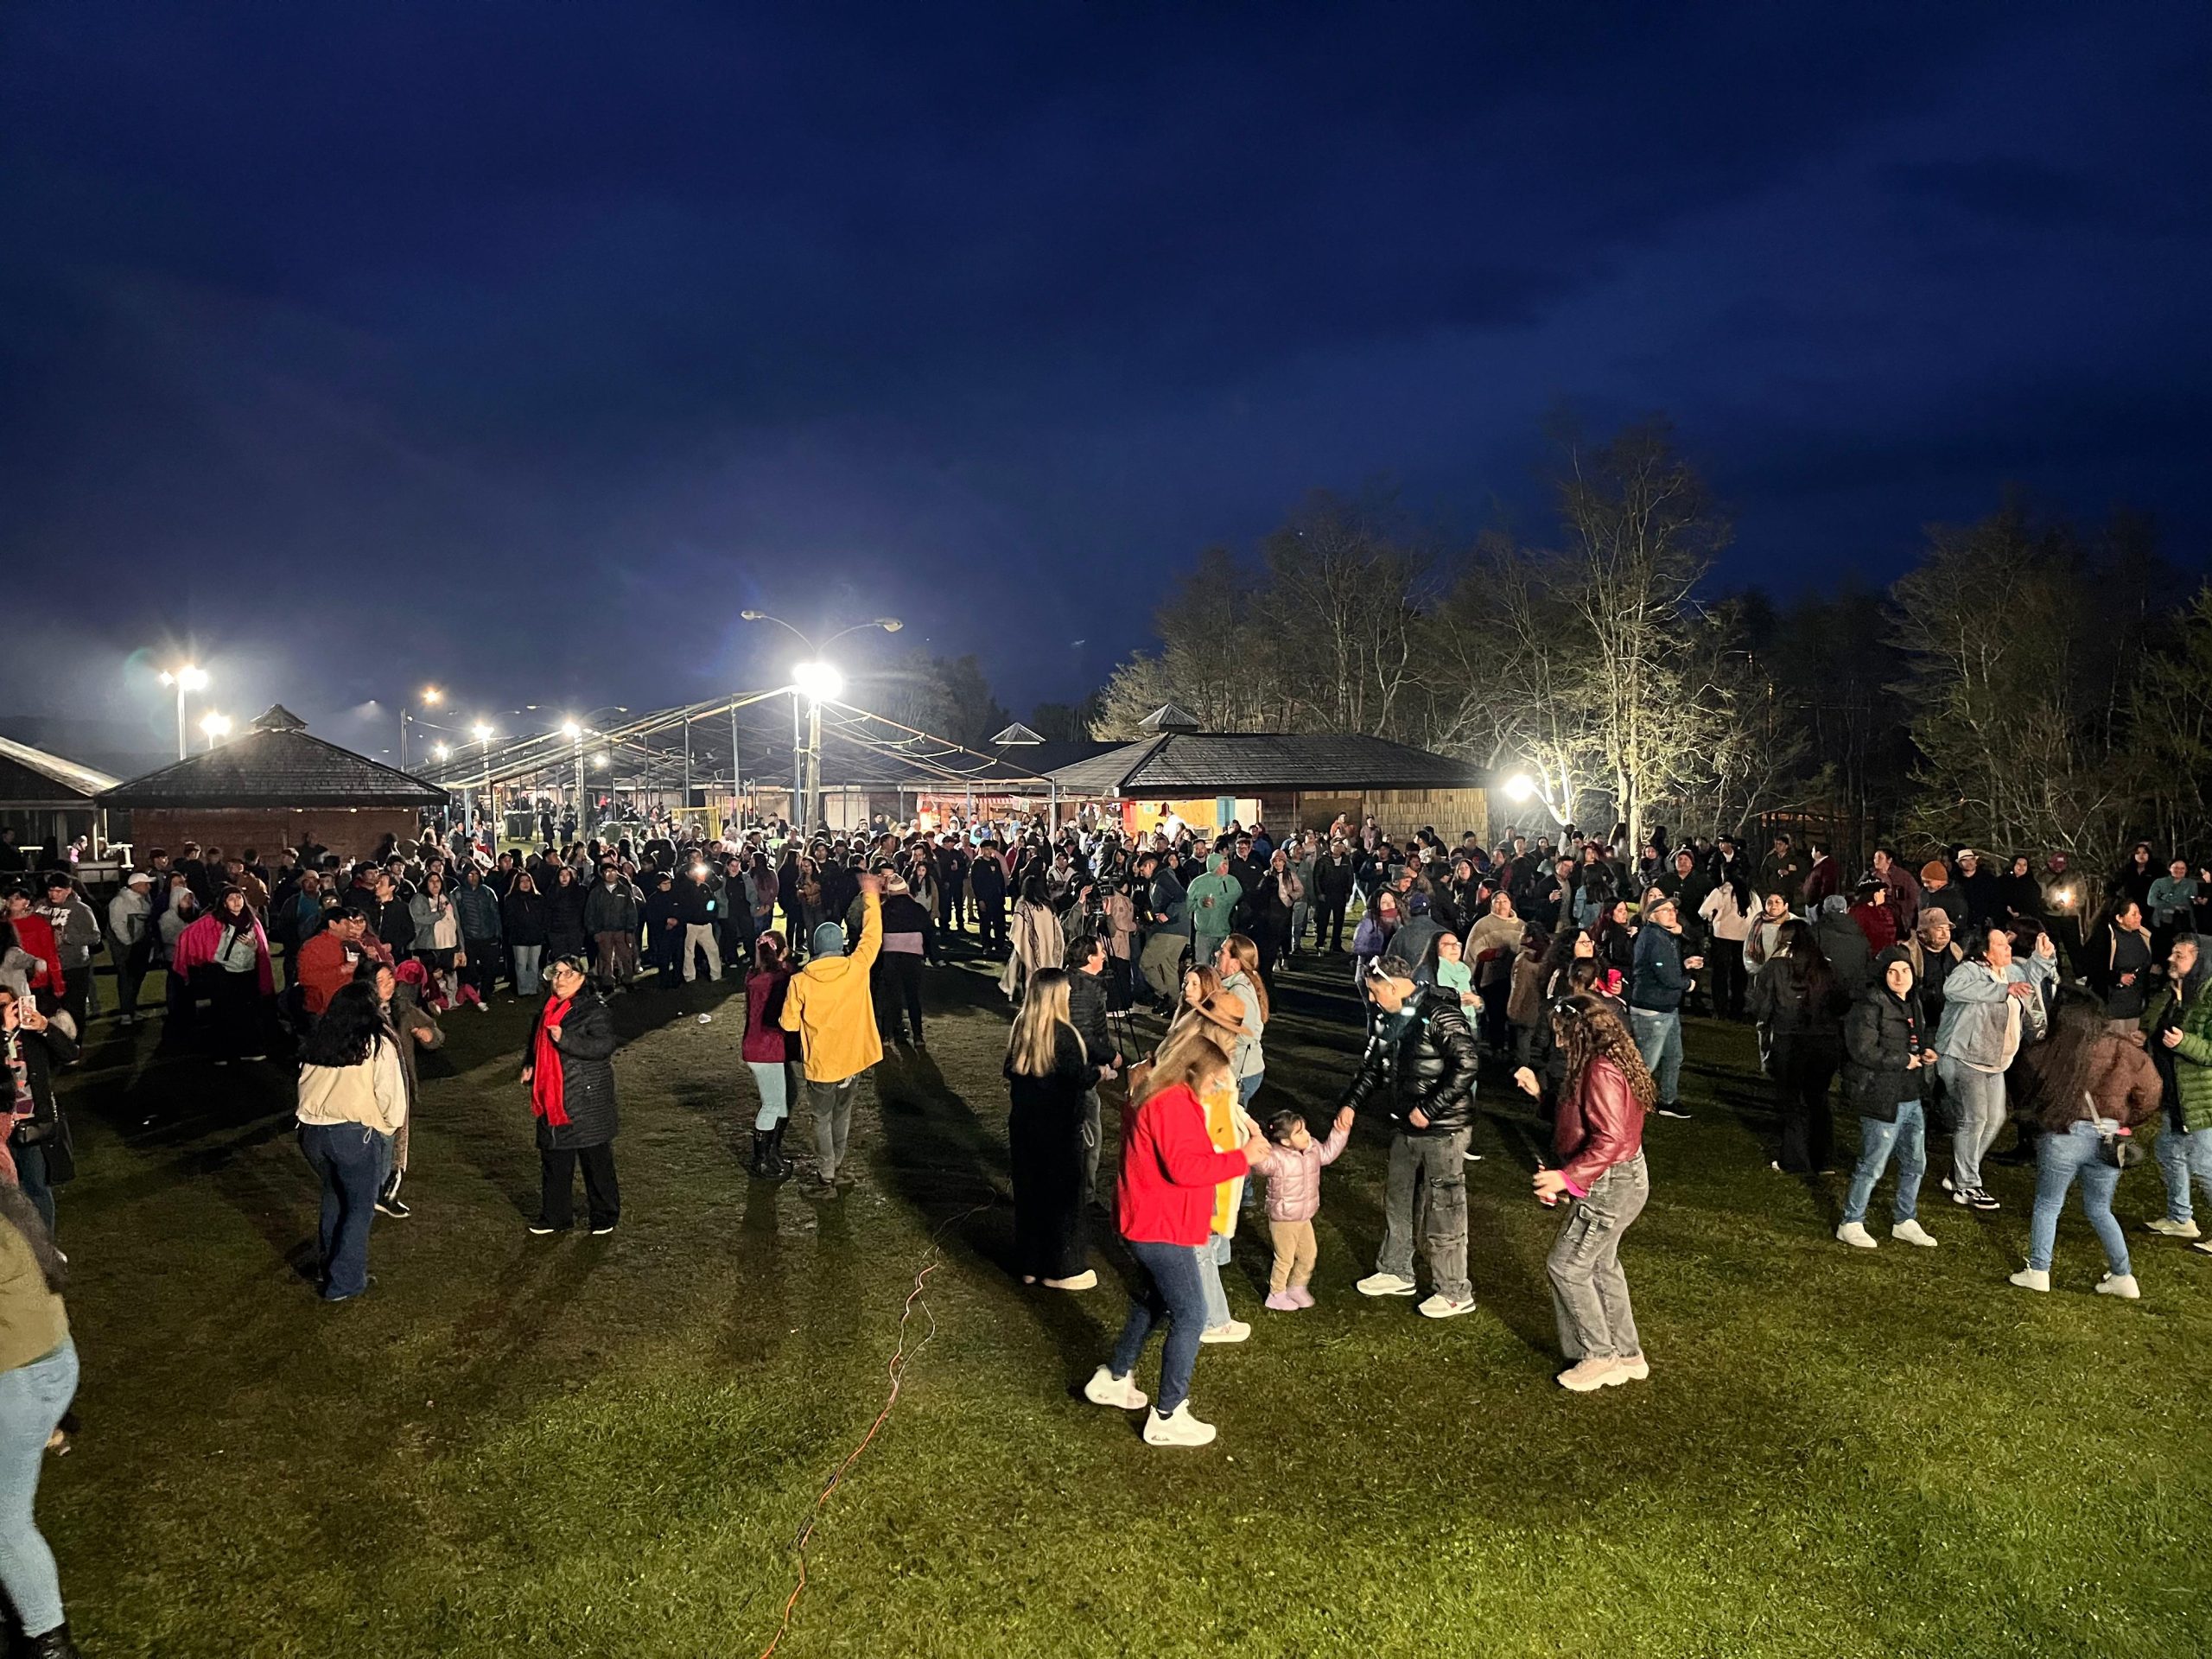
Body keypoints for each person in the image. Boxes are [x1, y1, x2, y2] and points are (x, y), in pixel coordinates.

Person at [1082, 1039, 1270, 1448]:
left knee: (1153, 1301)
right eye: (1216, 1080)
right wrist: (1244, 1157)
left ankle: (1116, 1377)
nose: (1221, 1088)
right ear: (1192, 1071)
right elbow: (1185, 1168)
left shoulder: (1157, 1091)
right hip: (1160, 1226)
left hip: (1152, 1221)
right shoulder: (1171, 1104)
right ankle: (1168, 1414)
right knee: (1191, 1314)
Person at [1343, 963, 1481, 1318]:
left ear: (1394, 986)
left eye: (1375, 992)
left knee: (1444, 1211)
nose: (1372, 999)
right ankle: (1396, 1269)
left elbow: (1466, 1064)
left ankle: (1454, 1291)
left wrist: (1430, 1109)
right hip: (1405, 1128)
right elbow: (1372, 1065)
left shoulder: (1440, 1014)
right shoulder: (1387, 1018)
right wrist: (1350, 1105)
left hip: (1443, 1132)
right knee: (1399, 1200)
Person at [1532, 994, 1655, 1391]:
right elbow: (1585, 1117)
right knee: (1601, 1265)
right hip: (1622, 1179)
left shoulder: (1600, 1069)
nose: (1559, 1043)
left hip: (1609, 1184)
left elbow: (1610, 1138)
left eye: (1562, 1034)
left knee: (1567, 1266)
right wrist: (1541, 1097)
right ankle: (1627, 1352)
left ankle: (1599, 1356)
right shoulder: (1608, 1060)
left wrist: (1567, 1178)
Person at [2009, 995, 2160, 1298]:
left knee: (2049, 1205)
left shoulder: (2051, 1051)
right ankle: (2123, 1276)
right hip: (2108, 1138)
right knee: (2100, 1209)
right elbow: (2151, 1092)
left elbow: (2027, 1086)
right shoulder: (2125, 1050)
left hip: (2064, 1135)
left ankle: (2039, 1271)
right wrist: (2126, 1121)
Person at [0, 1175, 79, 1657]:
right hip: (50, 1359)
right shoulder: (5, 1195)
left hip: (19, 1378)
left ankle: (49, 1643)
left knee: (4, 1522)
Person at [294, 981, 408, 1300]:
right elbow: (391, 1095)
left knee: (333, 1197)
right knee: (359, 1209)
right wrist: (387, 1128)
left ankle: (327, 1264)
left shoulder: (319, 1039)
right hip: (353, 1136)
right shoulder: (376, 1044)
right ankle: (344, 1281)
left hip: (312, 1133)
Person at [1006, 968, 1110, 1290]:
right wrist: (1100, 1073)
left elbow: (1012, 1071)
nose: (1068, 995)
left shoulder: (1022, 1028)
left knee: (1030, 1195)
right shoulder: (1064, 1035)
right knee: (1063, 1200)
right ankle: (1062, 1268)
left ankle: (1030, 1264)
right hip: (1059, 1132)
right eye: (1065, 991)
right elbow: (1075, 1077)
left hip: (1025, 1129)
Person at [779, 875, 885, 1188]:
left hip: (822, 1066)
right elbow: (873, 935)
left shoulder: (800, 981)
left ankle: (826, 1171)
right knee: (843, 1114)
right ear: (839, 946)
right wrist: (870, 896)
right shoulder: (856, 967)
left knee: (822, 1119)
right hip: (852, 1062)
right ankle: (837, 1163)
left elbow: (788, 1025)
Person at [1934, 924, 2047, 1211]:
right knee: (1975, 1120)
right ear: (1984, 951)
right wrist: (2002, 988)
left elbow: (2028, 983)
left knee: (1994, 1120)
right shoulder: (1970, 970)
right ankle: (1968, 1186)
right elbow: (1953, 988)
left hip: (1995, 1062)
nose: (2008, 949)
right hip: (1964, 1057)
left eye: (2007, 945)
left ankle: (1958, 1175)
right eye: (2000, 945)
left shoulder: (2010, 972)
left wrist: (2041, 958)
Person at [1834, 947, 1942, 1249]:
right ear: (1882, 974)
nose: (1900, 977)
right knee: (1873, 1164)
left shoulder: (1913, 1002)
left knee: (1915, 1162)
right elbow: (1862, 1050)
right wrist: (1902, 1060)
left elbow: (1915, 1036)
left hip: (1911, 1094)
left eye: (1905, 971)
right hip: (1880, 1094)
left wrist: (1925, 1053)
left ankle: (1905, 1219)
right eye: (1893, 971)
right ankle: (1851, 1221)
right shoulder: (1869, 1005)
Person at [520, 954, 621, 1236]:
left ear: (581, 978)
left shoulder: (594, 1009)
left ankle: (605, 1215)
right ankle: (555, 1216)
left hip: (586, 1099)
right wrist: (530, 1064)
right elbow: (536, 1043)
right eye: (556, 974)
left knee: (596, 1161)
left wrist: (565, 1038)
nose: (559, 980)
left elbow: (602, 1046)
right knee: (555, 1160)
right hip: (554, 1098)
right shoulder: (549, 1008)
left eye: (567, 974)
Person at [1747, 918, 1849, 1174]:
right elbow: (1842, 1003)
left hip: (1790, 1040)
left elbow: (1762, 1005)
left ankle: (1794, 1159)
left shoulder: (1776, 967)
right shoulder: (1827, 968)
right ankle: (1821, 1159)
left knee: (1792, 1101)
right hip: (1824, 1042)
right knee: (1818, 1099)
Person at [2143, 933, 2212, 1247]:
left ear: (2200, 960)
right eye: (2173, 952)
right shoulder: (2176, 992)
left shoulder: (2209, 996)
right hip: (2176, 1094)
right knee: (2169, 1150)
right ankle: (2180, 1218)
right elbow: (2157, 1024)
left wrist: (2185, 1043)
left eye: (2180, 955)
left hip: (2202, 1099)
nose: (2171, 959)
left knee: (2205, 1166)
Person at [1251, 1105, 1353, 1311]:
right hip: (1283, 1218)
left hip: (1304, 1216)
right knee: (1285, 1258)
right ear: (1285, 1141)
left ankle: (1297, 1286)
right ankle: (1276, 1293)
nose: (1307, 1134)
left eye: (1305, 1129)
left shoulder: (1313, 1148)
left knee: (1309, 1254)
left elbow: (1328, 1153)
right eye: (1300, 1132)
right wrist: (1254, 1143)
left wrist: (1340, 1132)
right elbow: (1261, 1164)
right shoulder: (1276, 1158)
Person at [0, 991, 74, 1237]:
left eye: (8, 1004)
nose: (5, 1009)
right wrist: (5, 1035)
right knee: (7, 1194)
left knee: (37, 1189)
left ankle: (45, 1250)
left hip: (30, 1127)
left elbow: (70, 1054)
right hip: (1, 1131)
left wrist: (45, 1027)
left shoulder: (32, 1035)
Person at [172, 887, 276, 1064]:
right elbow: (189, 935)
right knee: (223, 1013)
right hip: (224, 973)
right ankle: (222, 1052)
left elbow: (262, 949)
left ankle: (248, 1049)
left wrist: (254, 944)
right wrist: (210, 955)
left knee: (247, 1013)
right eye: (231, 898)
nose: (236, 901)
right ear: (224, 903)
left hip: (247, 973)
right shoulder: (213, 921)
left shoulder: (252, 921)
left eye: (239, 897)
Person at [1628, 894, 1700, 1121]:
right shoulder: (1654, 938)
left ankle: (1667, 1100)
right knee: (1646, 1062)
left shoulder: (1664, 936)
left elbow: (1666, 968)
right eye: (1666, 910)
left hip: (1666, 1007)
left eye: (1673, 910)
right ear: (1652, 916)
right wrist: (1687, 983)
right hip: (1653, 1009)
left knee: (1673, 1056)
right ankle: (1626, 1105)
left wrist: (1684, 965)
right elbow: (1666, 977)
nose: (1673, 913)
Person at [743, 933, 802, 1179]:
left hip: (756, 1046)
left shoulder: (753, 976)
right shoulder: (780, 979)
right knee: (773, 1104)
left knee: (783, 1098)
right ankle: (761, 1160)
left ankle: (772, 1153)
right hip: (766, 1048)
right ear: (782, 951)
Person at [33, 877, 97, 1034]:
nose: (53, 895)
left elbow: (95, 937)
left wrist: (67, 938)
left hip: (72, 966)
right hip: (44, 966)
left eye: (58, 891)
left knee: (73, 1009)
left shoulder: (80, 909)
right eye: (51, 890)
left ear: (68, 890)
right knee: (48, 1009)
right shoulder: (40, 906)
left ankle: (75, 1044)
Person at [1697, 863, 1757, 1020]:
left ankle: (1720, 1009)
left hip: (1722, 937)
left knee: (1720, 975)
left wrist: (1714, 917)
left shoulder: (1721, 892)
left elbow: (1703, 911)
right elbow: (1758, 914)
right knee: (1739, 975)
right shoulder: (1751, 894)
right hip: (1743, 937)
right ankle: (1737, 1008)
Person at [1215, 935, 1268, 1110]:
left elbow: (1248, 1034)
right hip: (1235, 1071)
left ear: (1235, 963)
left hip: (1241, 1074)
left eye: (1222, 952)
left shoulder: (1239, 991)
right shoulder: (1233, 985)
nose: (1216, 954)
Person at [2088, 901, 2156, 1028]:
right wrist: (2117, 977)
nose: (2139, 917)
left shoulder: (2144, 934)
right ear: (2119, 918)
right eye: (2134, 914)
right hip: (2113, 1002)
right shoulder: (2105, 937)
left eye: (2139, 913)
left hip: (2136, 1002)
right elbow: (2094, 966)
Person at [1000, 874, 1064, 1004]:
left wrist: (1019, 942)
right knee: (1047, 981)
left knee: (1031, 979)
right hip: (1049, 950)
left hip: (1030, 950)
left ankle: (1031, 1007)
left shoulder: (1023, 904)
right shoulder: (1048, 906)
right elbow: (1058, 932)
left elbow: (1016, 928)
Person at [105, 868, 155, 1027]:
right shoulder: (120, 901)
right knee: (127, 978)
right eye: (146, 884)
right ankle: (126, 1012)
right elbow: (117, 925)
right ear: (137, 885)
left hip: (139, 945)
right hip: (127, 948)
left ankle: (131, 1009)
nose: (149, 887)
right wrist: (128, 943)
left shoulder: (142, 900)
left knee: (136, 977)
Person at [582, 863, 640, 992]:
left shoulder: (624, 890)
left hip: (622, 930)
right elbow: (590, 912)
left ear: (617, 873)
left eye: (612, 871)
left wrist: (630, 930)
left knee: (626, 956)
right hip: (603, 931)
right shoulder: (596, 892)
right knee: (605, 958)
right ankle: (608, 982)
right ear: (603, 874)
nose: (610, 874)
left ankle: (627, 980)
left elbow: (631, 911)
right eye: (607, 871)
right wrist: (594, 931)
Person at [452, 865, 503, 1008]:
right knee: (470, 969)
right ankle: (473, 994)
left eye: (476, 874)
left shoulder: (487, 892)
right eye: (470, 874)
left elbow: (495, 914)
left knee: (491, 967)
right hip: (469, 938)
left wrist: (498, 934)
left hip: (488, 936)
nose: (473, 877)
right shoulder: (458, 893)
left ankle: (486, 993)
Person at [501, 871, 549, 997]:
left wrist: (541, 929)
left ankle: (532, 988)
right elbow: (508, 919)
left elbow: (544, 917)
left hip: (536, 936)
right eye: (522, 881)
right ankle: (523, 989)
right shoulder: (511, 899)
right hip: (519, 937)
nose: (525, 884)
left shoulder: (539, 898)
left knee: (534, 964)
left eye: (528, 881)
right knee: (521, 964)